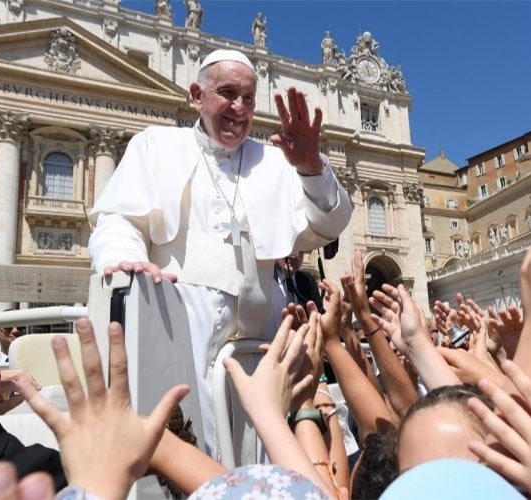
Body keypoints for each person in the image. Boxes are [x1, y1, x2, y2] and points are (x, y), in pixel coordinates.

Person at [87, 49, 352, 455]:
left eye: (248, 98)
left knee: (261, 456)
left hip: (258, 341)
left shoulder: (275, 162)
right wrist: (127, 261)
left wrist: (312, 166)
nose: (239, 108)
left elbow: (326, 225)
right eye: (227, 94)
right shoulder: (156, 146)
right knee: (190, 446)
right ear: (197, 94)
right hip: (178, 327)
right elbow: (118, 220)